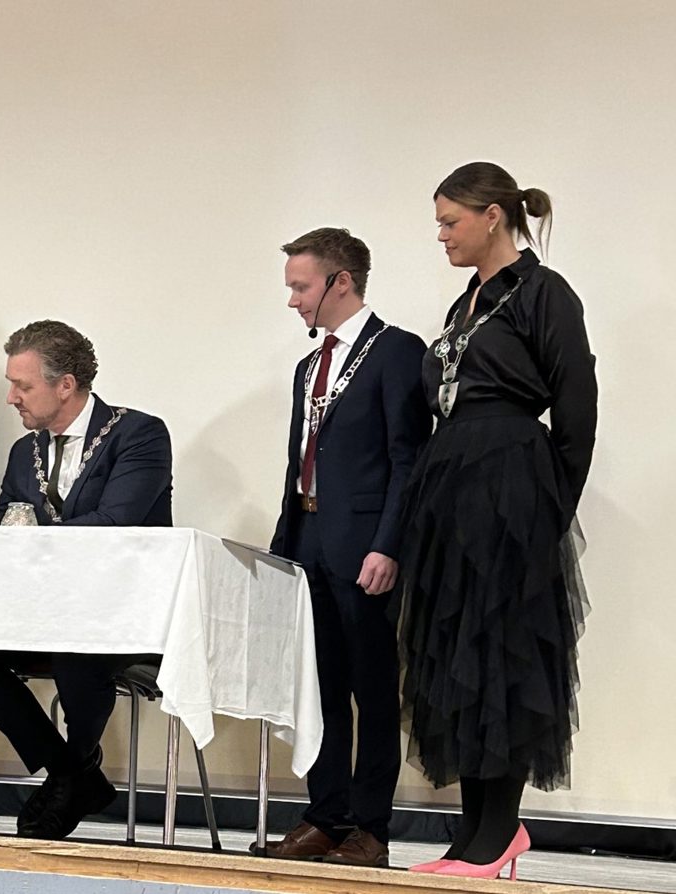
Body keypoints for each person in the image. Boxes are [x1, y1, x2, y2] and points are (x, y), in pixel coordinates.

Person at [402, 163, 597, 879]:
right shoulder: (468, 303)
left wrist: (548, 507)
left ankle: (499, 831)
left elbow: (576, 408)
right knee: (459, 653)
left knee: (504, 653)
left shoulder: (544, 293)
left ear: (492, 216)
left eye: (450, 222)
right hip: (452, 491)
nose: (442, 236)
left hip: (511, 487)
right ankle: (474, 832)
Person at [0, 320, 172, 841]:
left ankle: (73, 771)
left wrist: (30, 535)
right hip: (43, 611)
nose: (11, 398)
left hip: (120, 612)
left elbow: (114, 525)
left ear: (65, 385)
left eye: (22, 386)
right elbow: (3, 521)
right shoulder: (26, 452)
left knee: (76, 647)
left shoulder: (139, 434)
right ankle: (72, 770)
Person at [261, 228, 431, 867]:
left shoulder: (396, 351)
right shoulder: (309, 366)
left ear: (341, 281)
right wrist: (284, 547)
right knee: (321, 685)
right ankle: (325, 815)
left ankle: (371, 828)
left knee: (372, 687)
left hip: (364, 548)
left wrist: (389, 545)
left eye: (300, 287)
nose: (293, 300)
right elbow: (300, 462)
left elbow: (406, 459)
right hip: (308, 539)